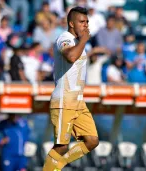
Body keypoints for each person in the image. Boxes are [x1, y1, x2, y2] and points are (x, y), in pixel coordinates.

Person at [43, 7, 99, 171]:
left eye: (87, 22)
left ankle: (58, 166)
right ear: (71, 23)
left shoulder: (78, 42)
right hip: (63, 100)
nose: (86, 25)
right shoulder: (64, 38)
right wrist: (83, 40)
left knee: (92, 140)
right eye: (82, 22)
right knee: (61, 146)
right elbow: (71, 56)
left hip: (78, 101)